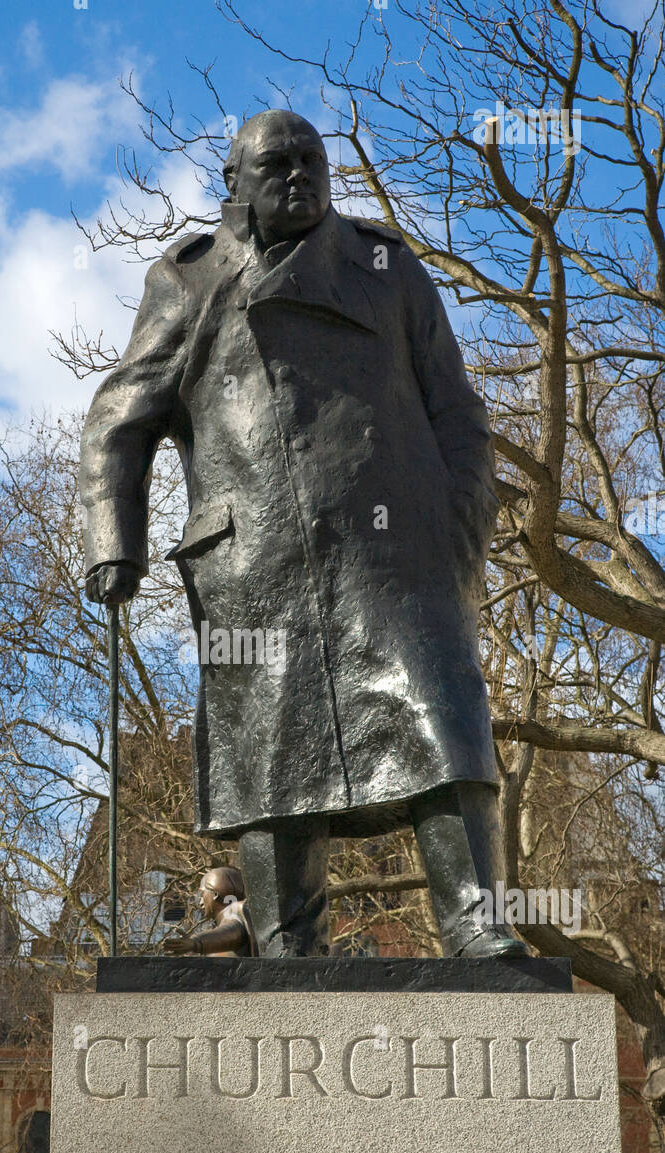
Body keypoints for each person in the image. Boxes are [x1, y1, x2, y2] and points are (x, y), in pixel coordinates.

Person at [81, 109, 529, 962]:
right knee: (272, 754)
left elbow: (458, 409)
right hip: (255, 561)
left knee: (446, 720)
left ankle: (479, 927)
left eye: (312, 160)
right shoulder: (190, 281)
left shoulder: (386, 266)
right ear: (235, 184)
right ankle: (287, 949)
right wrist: (115, 540)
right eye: (276, 163)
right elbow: (119, 416)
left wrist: (457, 520)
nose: (299, 175)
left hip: (397, 557)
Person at [165, 866, 256, 957]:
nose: (200, 901)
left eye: (203, 894)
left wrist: (195, 943)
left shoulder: (235, 910)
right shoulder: (224, 921)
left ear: (215, 894)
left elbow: (233, 933)